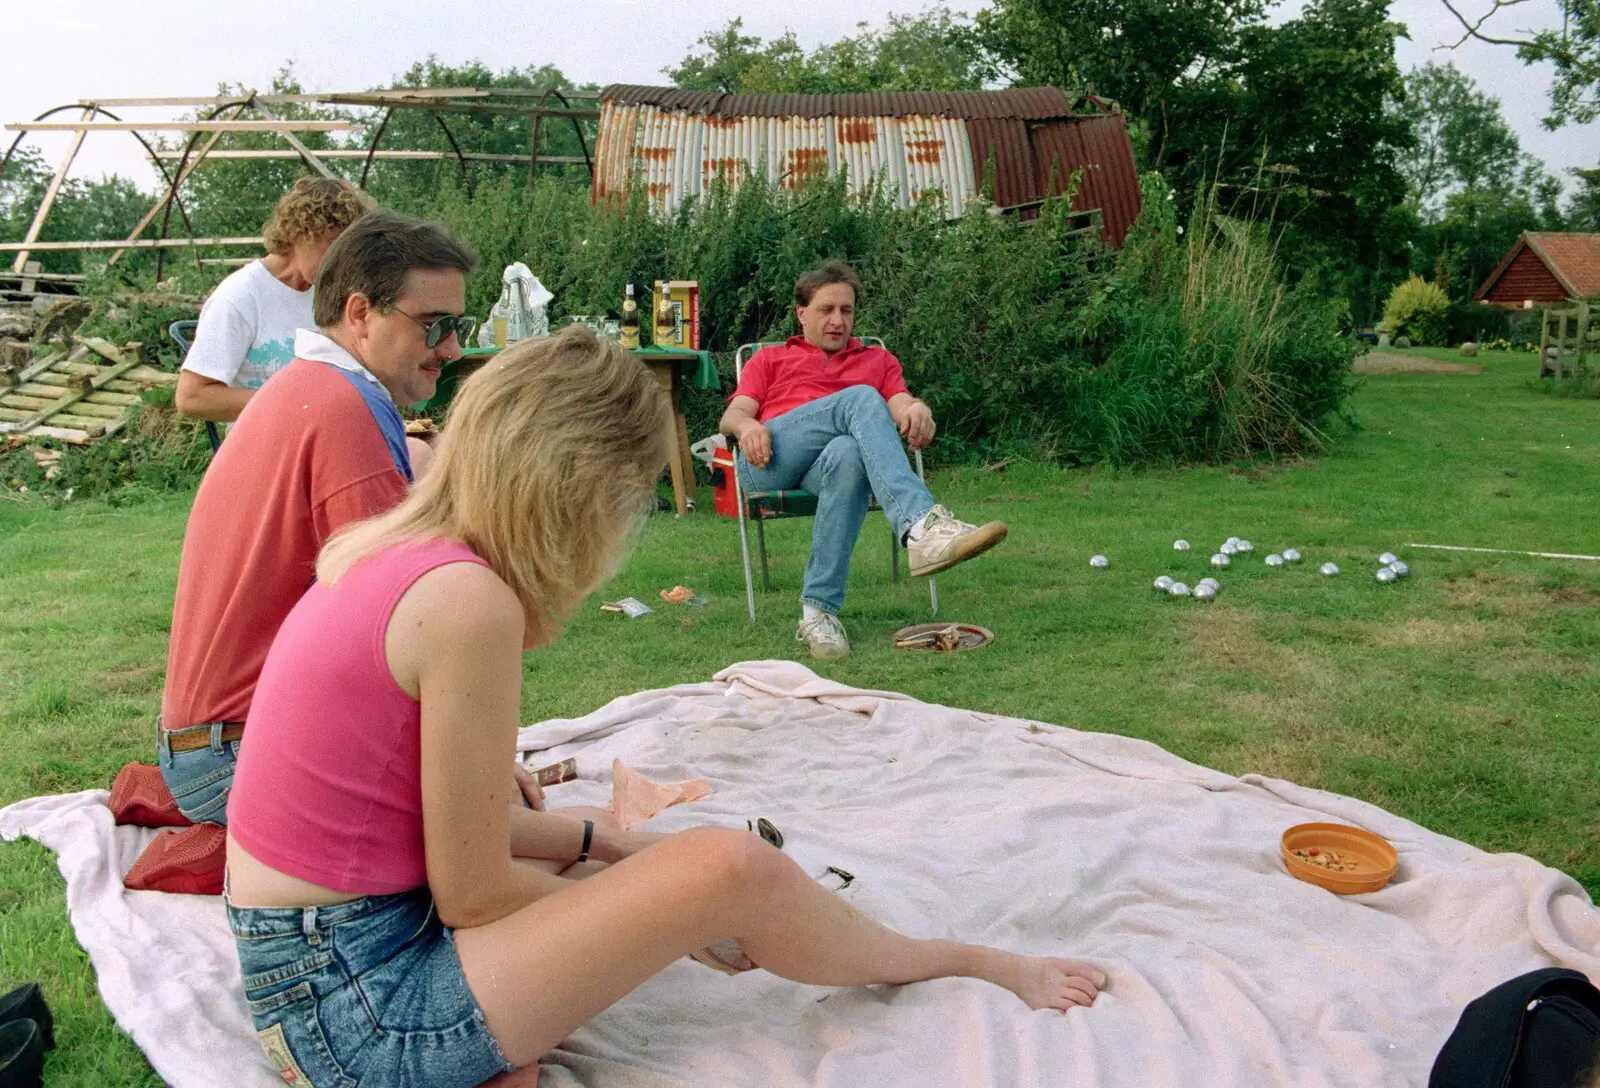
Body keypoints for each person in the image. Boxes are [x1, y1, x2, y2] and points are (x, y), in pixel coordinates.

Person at [223, 325, 1106, 1088]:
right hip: (361, 1019)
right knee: (729, 869)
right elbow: (474, 892)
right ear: (579, 485)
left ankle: (752, 908)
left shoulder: (392, 551)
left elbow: (434, 827)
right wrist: (676, 912)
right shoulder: (466, 603)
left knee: (623, 856)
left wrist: (608, 846)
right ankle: (952, 960)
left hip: (308, 967)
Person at [155, 209, 476, 828]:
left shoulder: (319, 386)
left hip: (215, 742)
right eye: (434, 325)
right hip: (235, 756)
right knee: (482, 812)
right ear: (360, 314)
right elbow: (400, 622)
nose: (452, 348)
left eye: (456, 325)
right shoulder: (343, 411)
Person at [719, 260, 1008, 660]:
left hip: (827, 469)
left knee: (850, 453)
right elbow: (731, 416)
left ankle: (817, 613)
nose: (838, 320)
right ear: (801, 314)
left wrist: (917, 408)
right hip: (772, 458)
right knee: (860, 398)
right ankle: (922, 528)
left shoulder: (876, 361)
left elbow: (900, 401)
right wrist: (748, 427)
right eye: (826, 310)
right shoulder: (770, 360)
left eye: (846, 311)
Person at [175, 177, 374, 422]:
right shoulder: (239, 297)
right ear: (301, 232)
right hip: (265, 444)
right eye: (334, 245)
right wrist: (294, 403)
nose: (342, 261)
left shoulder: (329, 292)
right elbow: (191, 398)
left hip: (323, 433)